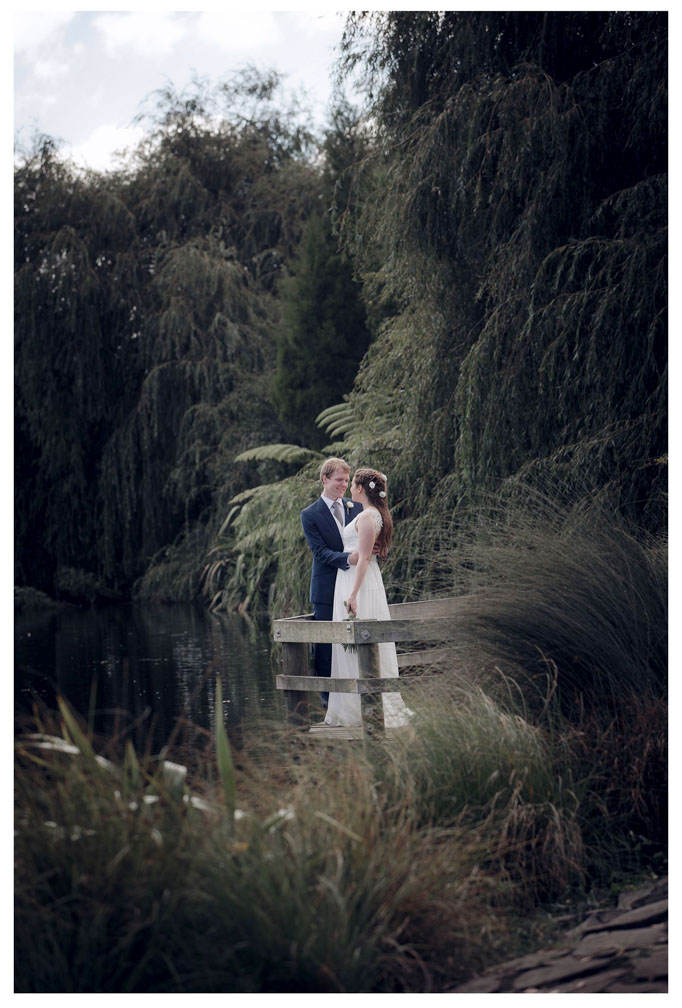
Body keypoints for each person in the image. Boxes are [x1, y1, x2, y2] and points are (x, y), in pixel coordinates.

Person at [324, 468, 414, 728]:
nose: (350, 488)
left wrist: (352, 594)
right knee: (355, 645)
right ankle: (359, 707)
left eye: (352, 484)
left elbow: (363, 557)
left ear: (361, 488)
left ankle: (360, 712)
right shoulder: (376, 515)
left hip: (357, 583)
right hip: (363, 579)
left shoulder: (366, 517)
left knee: (357, 643)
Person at [301, 457, 363, 706]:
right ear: (324, 479)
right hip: (326, 588)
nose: (344, 486)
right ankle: (328, 702)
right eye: (339, 480)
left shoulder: (354, 507)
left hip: (352, 586)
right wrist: (350, 558)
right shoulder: (310, 514)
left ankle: (355, 700)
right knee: (325, 647)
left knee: (355, 641)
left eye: (347, 481)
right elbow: (320, 553)